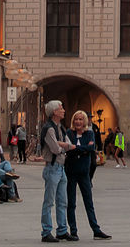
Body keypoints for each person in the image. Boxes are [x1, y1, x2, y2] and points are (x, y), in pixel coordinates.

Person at [64, 110, 110, 238]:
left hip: (84, 173)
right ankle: (73, 231)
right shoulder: (69, 133)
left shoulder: (90, 133)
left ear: (84, 121)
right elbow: (68, 150)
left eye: (80, 119)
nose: (78, 122)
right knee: (71, 203)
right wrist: (80, 150)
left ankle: (96, 229)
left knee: (89, 202)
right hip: (71, 173)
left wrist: (75, 148)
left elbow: (90, 148)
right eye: (76, 119)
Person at [39, 99, 76, 242]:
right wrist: (64, 147)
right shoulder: (49, 128)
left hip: (61, 168)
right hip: (52, 168)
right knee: (49, 202)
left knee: (62, 201)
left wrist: (63, 145)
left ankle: (62, 230)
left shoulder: (60, 127)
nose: (64, 110)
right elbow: (55, 149)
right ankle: (46, 232)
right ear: (55, 112)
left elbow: (69, 144)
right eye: (61, 108)